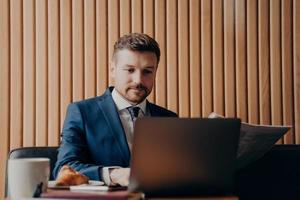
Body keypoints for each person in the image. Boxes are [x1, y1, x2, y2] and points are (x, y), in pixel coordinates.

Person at [53, 33, 178, 186]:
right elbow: (64, 167)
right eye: (130, 70)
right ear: (112, 70)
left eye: (147, 71)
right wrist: (113, 174)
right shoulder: (81, 112)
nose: (138, 80)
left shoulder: (169, 119)